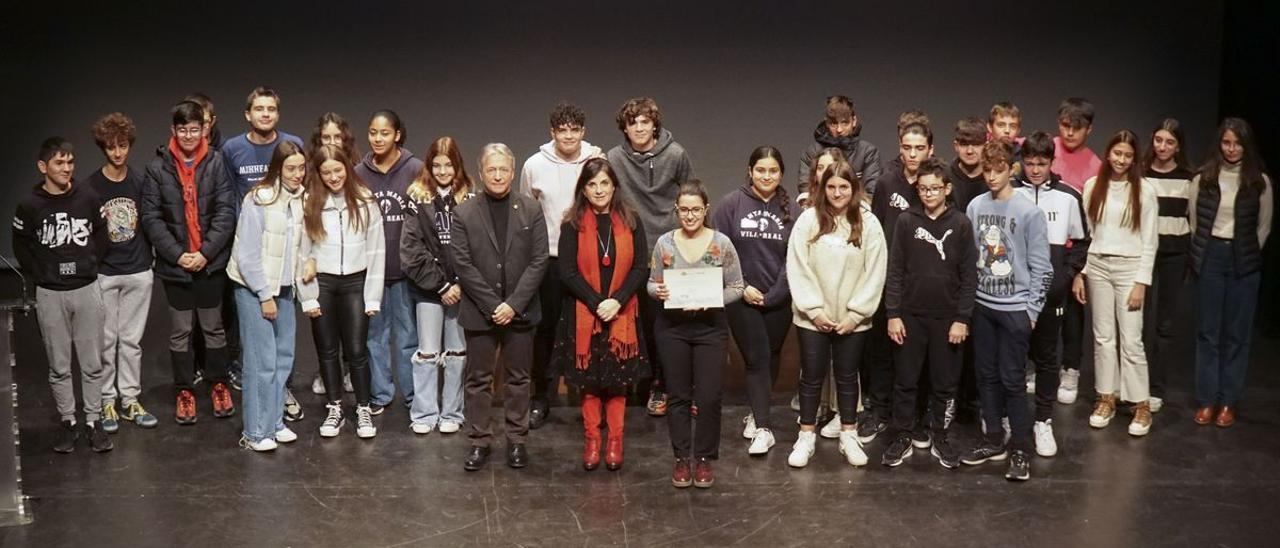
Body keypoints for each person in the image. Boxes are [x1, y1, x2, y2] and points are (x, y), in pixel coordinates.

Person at [452, 143, 549, 472]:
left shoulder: (531, 209)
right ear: (481, 173)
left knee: (519, 378)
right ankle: (479, 441)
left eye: (503, 169)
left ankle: (517, 440)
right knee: (478, 380)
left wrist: (513, 304)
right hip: (481, 312)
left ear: (513, 171)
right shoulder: (463, 212)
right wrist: (495, 305)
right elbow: (463, 264)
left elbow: (538, 262)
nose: (497, 175)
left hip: (520, 311)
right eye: (491, 170)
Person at [12, 137, 112, 453]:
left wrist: (90, 266)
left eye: (70, 162)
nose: (66, 168)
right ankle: (68, 421)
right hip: (50, 292)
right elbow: (21, 244)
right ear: (43, 167)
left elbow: (102, 235)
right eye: (59, 163)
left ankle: (93, 422)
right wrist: (41, 274)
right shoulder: (29, 205)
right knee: (59, 364)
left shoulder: (88, 197)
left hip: (85, 288)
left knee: (92, 362)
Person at [140, 100, 237, 425]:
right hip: (175, 267)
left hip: (209, 264)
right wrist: (178, 255)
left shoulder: (217, 162)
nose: (189, 135)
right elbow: (151, 218)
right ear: (174, 130)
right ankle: (184, 391)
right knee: (181, 331)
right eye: (183, 129)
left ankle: (219, 384)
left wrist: (205, 253)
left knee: (213, 328)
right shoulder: (158, 168)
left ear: (204, 129)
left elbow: (226, 212)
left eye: (194, 129)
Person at [785, 160, 886, 469]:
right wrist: (813, 310)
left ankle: (848, 434)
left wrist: (856, 314)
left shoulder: (868, 223)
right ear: (822, 188)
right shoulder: (808, 220)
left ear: (853, 189)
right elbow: (797, 265)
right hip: (812, 318)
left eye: (844, 187)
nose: (837, 193)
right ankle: (806, 436)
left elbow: (875, 271)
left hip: (851, 320)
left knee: (847, 377)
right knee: (812, 377)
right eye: (831, 187)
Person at [961, 139, 1052, 481]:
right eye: (987, 170)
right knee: (985, 375)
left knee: (1012, 380)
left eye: (999, 170)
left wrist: (1031, 312)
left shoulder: (1029, 212)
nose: (992, 177)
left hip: (1015, 309)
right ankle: (994, 439)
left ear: (1011, 169)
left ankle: (1021, 449)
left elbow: (1043, 267)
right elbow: (971, 260)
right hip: (983, 306)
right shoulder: (974, 207)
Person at [551, 158, 649, 471]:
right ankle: (593, 440)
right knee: (591, 382)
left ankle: (616, 441)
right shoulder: (572, 223)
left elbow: (639, 268)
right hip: (584, 314)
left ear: (614, 186)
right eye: (592, 184)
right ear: (583, 188)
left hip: (623, 314)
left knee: (618, 382)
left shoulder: (632, 219)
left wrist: (617, 301)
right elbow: (566, 272)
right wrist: (597, 302)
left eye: (604, 183)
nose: (599, 190)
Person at [648, 180, 744, 488]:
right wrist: (658, 290)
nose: (690, 216)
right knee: (677, 395)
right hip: (672, 328)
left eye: (696, 210)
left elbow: (737, 287)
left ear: (706, 210)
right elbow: (651, 283)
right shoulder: (665, 243)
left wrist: (713, 299)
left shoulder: (721, 243)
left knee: (708, 396)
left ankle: (703, 458)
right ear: (676, 211)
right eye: (684, 210)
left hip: (710, 328)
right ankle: (681, 458)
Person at [882, 158, 975, 470]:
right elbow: (895, 270)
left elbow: (968, 276)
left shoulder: (960, 223)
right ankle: (904, 434)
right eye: (923, 189)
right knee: (905, 380)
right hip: (909, 316)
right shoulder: (907, 222)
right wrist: (893, 313)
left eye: (935, 188)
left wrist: (962, 318)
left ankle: (940, 434)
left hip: (948, 319)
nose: (929, 194)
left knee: (944, 383)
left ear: (947, 188)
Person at [220, 86, 307, 412]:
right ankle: (258, 402)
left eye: (271, 109)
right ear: (248, 114)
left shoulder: (291, 145)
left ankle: (280, 393)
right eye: (259, 109)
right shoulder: (232, 148)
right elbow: (228, 195)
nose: (266, 114)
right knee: (254, 334)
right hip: (252, 250)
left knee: (283, 338)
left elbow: (300, 195)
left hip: (282, 251)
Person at [607, 97, 693, 417]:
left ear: (655, 124)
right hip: (631, 249)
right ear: (625, 128)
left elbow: (690, 197)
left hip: (670, 248)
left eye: (645, 122)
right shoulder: (614, 158)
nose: (639, 128)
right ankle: (640, 383)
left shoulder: (676, 154)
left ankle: (665, 385)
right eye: (633, 123)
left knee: (667, 322)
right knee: (637, 321)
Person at [521, 101, 603, 429]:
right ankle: (542, 395)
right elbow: (527, 212)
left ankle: (591, 396)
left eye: (574, 130)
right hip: (550, 260)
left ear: (583, 131)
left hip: (589, 259)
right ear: (552, 132)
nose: (568, 136)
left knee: (590, 327)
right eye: (562, 130)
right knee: (546, 329)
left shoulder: (596, 160)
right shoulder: (534, 165)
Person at [1189, 117, 1273, 428]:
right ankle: (1207, 400)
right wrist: (1208, 250)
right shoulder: (1204, 178)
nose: (1232, 148)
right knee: (1208, 332)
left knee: (1237, 335)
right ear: (1219, 144)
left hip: (1244, 260)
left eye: (1237, 143)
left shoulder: (1259, 181)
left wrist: (1247, 252)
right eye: (1226, 142)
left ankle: (1228, 401)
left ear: (1246, 145)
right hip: (1212, 255)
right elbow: (1195, 221)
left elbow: (1263, 227)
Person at [1074, 130, 1159, 437]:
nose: (1121, 160)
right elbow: (1089, 234)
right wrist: (1081, 273)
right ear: (1108, 153)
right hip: (1098, 266)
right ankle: (1106, 396)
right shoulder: (1093, 186)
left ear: (1134, 158)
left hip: (1129, 269)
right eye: (1117, 153)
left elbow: (1150, 241)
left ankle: (1140, 403)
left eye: (1127, 155)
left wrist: (1141, 282)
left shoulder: (1144, 191)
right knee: (1103, 336)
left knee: (1132, 339)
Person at [299, 145, 385, 439]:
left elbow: (376, 251)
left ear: (347, 169)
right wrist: (307, 296)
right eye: (327, 172)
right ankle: (334, 407)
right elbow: (303, 252)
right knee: (327, 350)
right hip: (322, 282)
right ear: (319, 174)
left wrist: (372, 296)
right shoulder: (310, 202)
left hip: (355, 283)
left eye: (338, 170)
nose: (333, 177)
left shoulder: (365, 201)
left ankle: (362, 407)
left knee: (357, 350)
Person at [227, 141, 308, 451]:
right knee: (261, 361)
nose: (297, 174)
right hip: (254, 289)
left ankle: (274, 422)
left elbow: (301, 246)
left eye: (301, 168)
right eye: (290, 168)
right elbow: (246, 257)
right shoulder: (258, 200)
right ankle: (256, 433)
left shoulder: (301, 199)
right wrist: (264, 295)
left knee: (283, 359)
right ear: (277, 168)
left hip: (286, 289)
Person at [712, 146, 792, 456]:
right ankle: (764, 428)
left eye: (773, 171)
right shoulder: (731, 205)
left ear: (780, 174)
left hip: (779, 298)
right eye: (761, 170)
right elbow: (718, 251)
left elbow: (794, 258)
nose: (766, 176)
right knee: (757, 357)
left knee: (770, 356)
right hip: (741, 297)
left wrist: (776, 294)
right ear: (750, 171)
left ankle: (756, 412)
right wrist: (742, 286)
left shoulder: (793, 211)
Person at [1014, 132, 1088, 456]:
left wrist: (1066, 276)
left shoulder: (1069, 197)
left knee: (1046, 361)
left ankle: (1042, 421)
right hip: (1013, 296)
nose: (1034, 169)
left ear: (1051, 162)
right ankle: (1011, 419)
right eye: (1029, 163)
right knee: (1013, 362)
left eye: (1041, 163)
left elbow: (1082, 241)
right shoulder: (1010, 193)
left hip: (1050, 296)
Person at [861, 121, 932, 444]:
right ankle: (879, 411)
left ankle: (917, 415)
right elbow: (875, 228)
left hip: (922, 282)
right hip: (888, 279)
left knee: (916, 352)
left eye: (919, 148)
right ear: (899, 148)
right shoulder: (888, 182)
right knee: (881, 350)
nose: (913, 153)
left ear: (930, 149)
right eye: (907, 147)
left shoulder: (934, 184)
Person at [87, 113, 158, 432]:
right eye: (112, 147)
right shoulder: (90, 187)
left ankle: (129, 399)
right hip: (105, 272)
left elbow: (150, 222)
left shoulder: (140, 182)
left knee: (131, 340)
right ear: (103, 148)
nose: (118, 152)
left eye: (123, 145)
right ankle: (106, 400)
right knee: (105, 340)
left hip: (138, 270)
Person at [402, 136, 473, 435]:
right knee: (428, 353)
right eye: (437, 165)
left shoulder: (470, 198)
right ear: (429, 166)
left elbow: (475, 248)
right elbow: (411, 249)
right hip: (430, 290)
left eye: (449, 165)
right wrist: (442, 285)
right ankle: (424, 413)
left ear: (458, 167)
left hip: (461, 290)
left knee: (457, 354)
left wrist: (458, 282)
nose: (443, 171)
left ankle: (452, 413)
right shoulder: (416, 197)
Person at [355, 110, 424, 414]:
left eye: (384, 133)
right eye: (373, 132)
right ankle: (381, 394)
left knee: (409, 336)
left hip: (406, 270)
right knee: (375, 337)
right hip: (372, 273)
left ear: (397, 135)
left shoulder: (416, 169)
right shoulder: (358, 173)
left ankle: (412, 396)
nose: (378, 138)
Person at [1141, 119, 1194, 412]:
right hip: (1145, 252)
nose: (1162, 147)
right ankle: (1133, 383)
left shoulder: (1189, 177)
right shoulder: (1142, 173)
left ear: (1178, 146)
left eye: (1169, 142)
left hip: (1175, 252)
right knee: (1138, 319)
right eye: (1159, 140)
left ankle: (1156, 387)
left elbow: (1194, 218)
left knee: (1165, 322)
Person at [306, 111, 359, 396]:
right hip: (322, 266)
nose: (333, 141)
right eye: (326, 137)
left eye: (337, 136)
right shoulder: (311, 174)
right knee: (325, 325)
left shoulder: (356, 171)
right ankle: (326, 372)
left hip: (351, 267)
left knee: (352, 326)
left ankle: (352, 370)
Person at [1052, 98, 1100, 405]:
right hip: (1042, 247)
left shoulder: (1096, 167)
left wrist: (1081, 268)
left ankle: (1070, 368)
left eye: (1077, 127)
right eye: (1065, 126)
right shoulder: (1045, 148)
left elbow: (1094, 221)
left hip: (1073, 250)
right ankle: (1034, 366)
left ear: (1089, 129)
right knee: (1037, 311)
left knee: (1072, 313)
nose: (1069, 133)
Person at [797, 95, 883, 200]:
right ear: (826, 123)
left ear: (854, 121)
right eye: (834, 124)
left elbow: (871, 193)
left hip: (856, 213)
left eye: (844, 123)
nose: (839, 129)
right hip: (819, 213)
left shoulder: (868, 153)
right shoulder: (812, 153)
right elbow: (806, 190)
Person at [950, 117, 989, 211]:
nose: (970, 151)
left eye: (976, 144)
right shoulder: (945, 176)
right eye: (964, 144)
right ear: (956, 146)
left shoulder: (994, 178)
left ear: (986, 146)